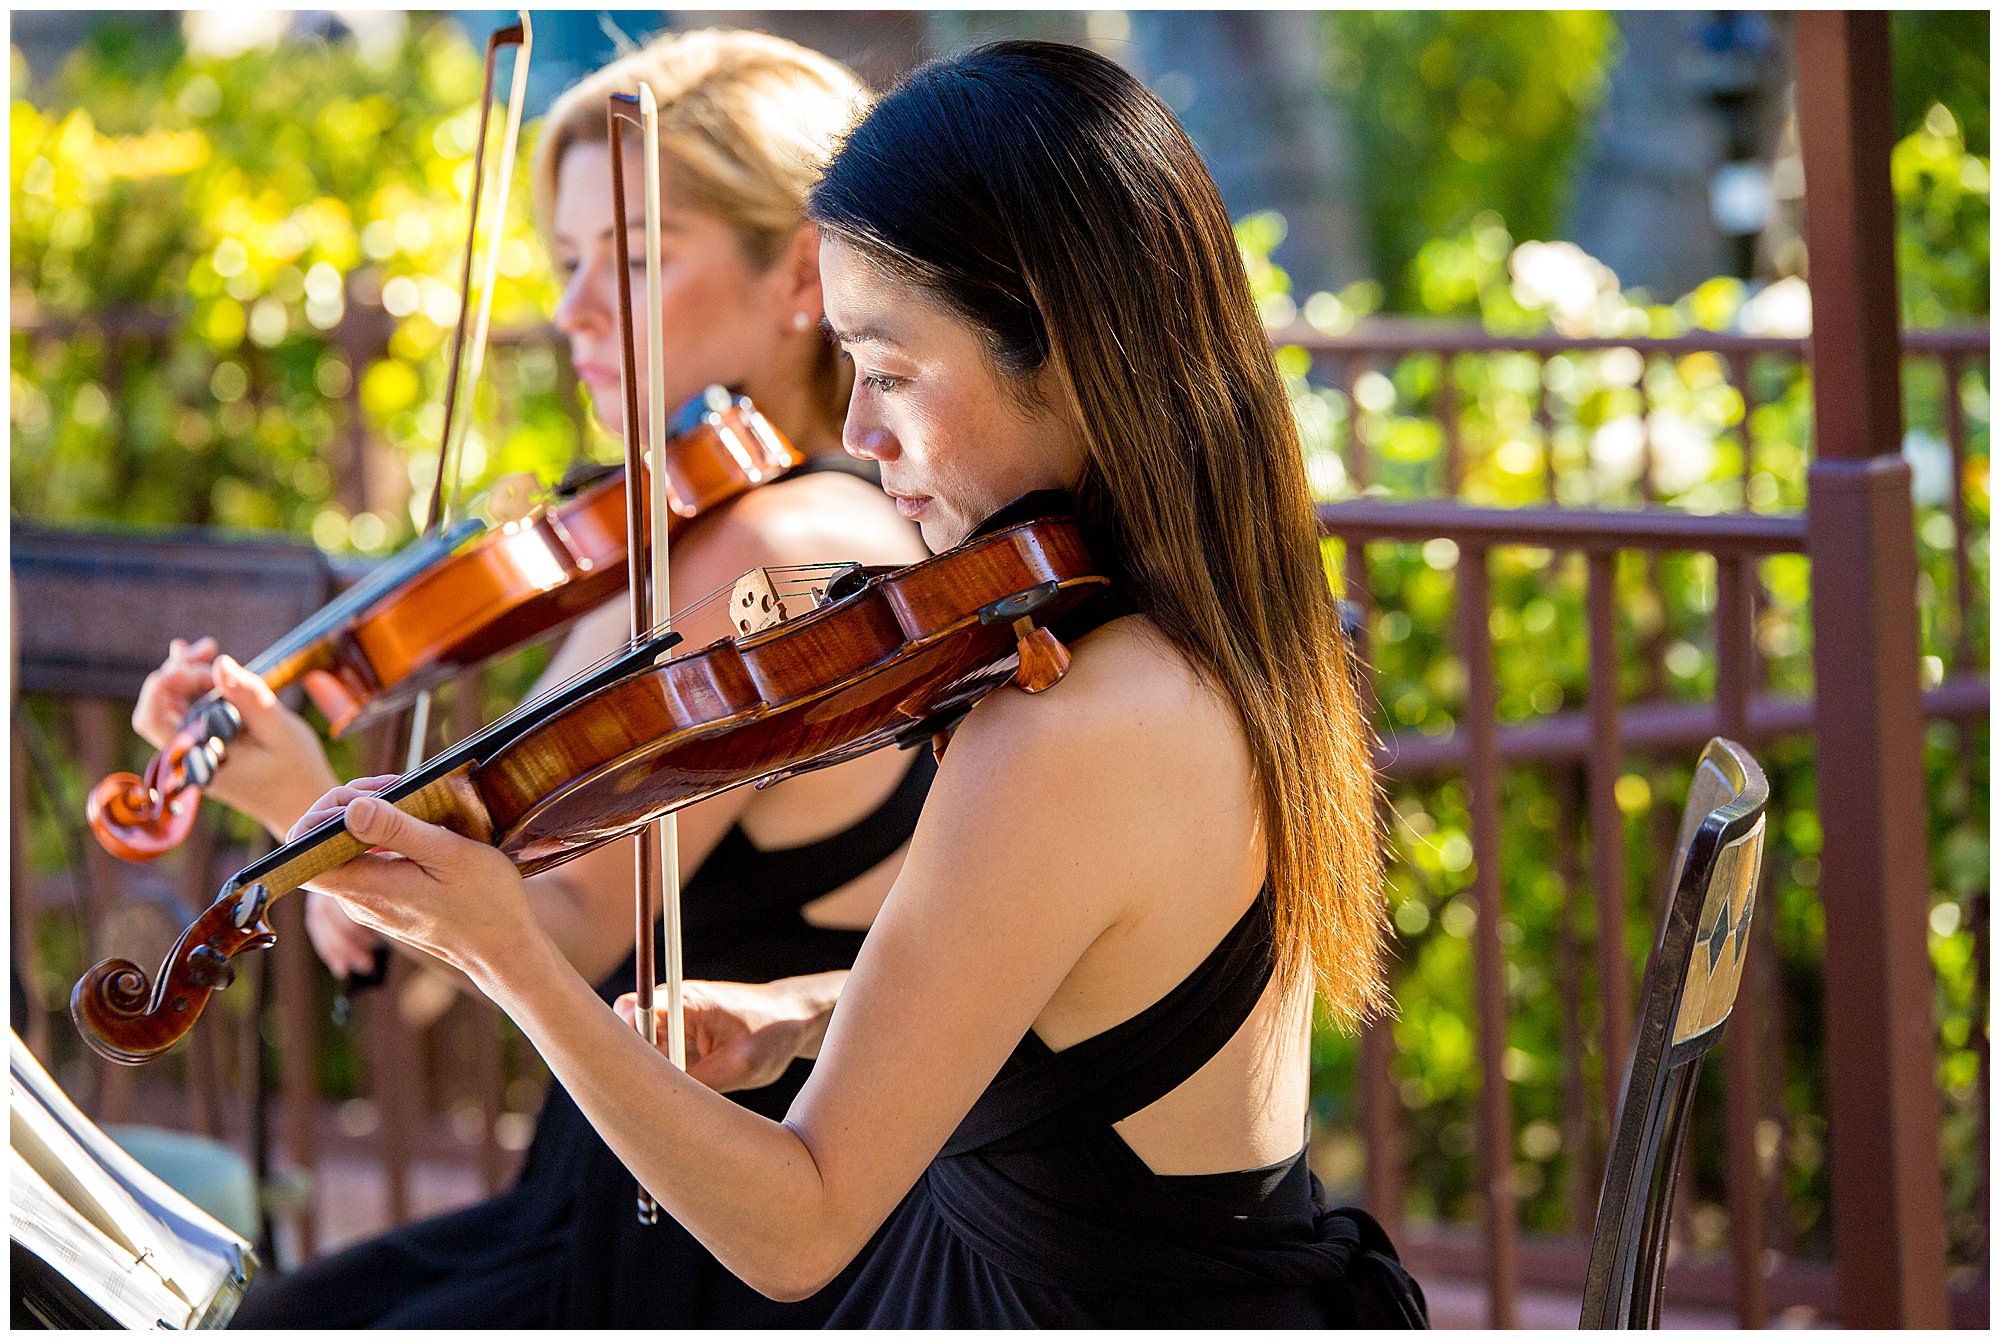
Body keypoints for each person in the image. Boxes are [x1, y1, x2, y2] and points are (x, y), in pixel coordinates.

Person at [295, 38, 1428, 1327]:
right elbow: (1101, 986)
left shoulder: (1066, 726)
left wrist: (506, 953)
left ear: (1063, 357)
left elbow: (800, 1231)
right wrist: (810, 1009)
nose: (857, 432)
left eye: (890, 371)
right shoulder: (1202, 639)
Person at [131, 29, 928, 1328]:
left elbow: (554, 932)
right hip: (610, 1196)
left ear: (803, 273)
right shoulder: (675, 537)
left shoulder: (789, 554)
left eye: (634, 260)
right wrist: (334, 859)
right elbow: (488, 901)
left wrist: (304, 812)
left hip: (703, 1253)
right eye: (567, 267)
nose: (575, 315)